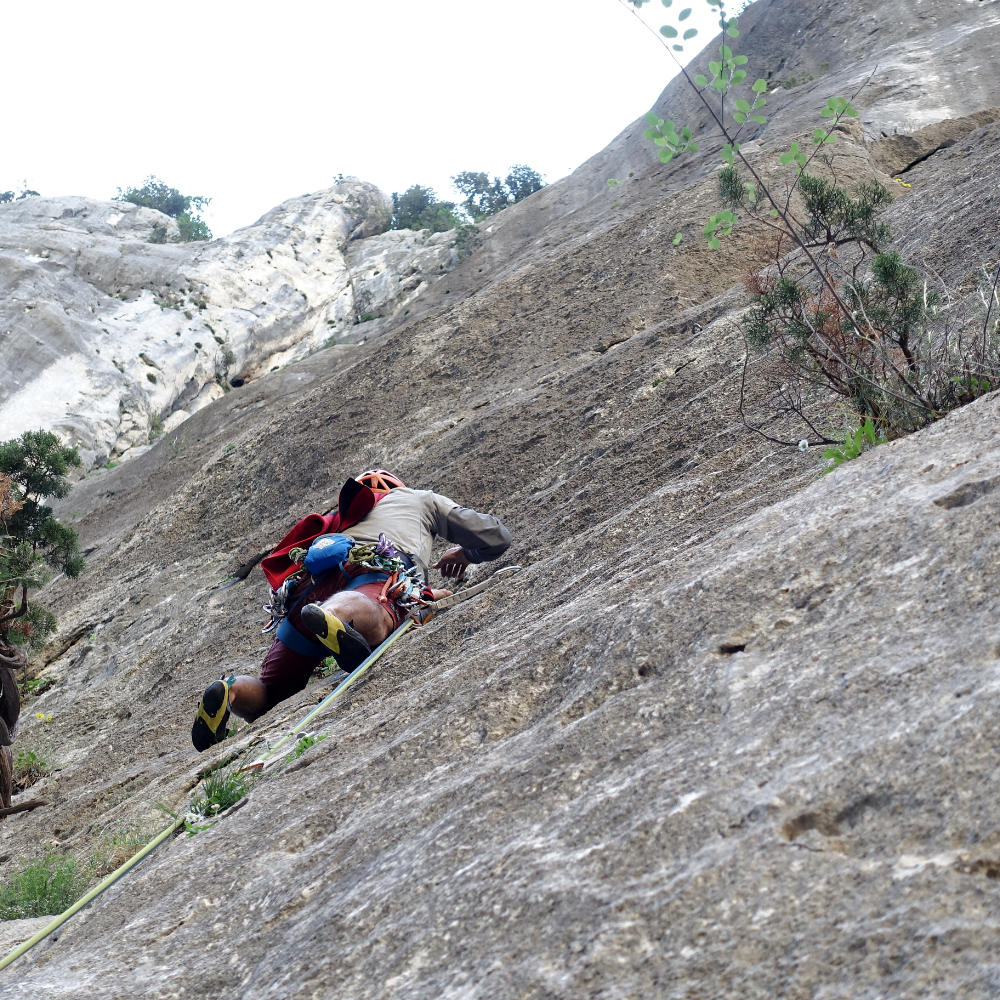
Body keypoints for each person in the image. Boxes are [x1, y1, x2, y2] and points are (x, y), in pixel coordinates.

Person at [192, 469, 512, 751]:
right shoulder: (420, 499)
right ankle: (335, 617)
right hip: (371, 568)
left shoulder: (338, 522)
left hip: (304, 590)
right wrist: (466, 554)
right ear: (396, 487)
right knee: (378, 610)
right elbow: (496, 536)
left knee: (271, 691)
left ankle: (231, 690)